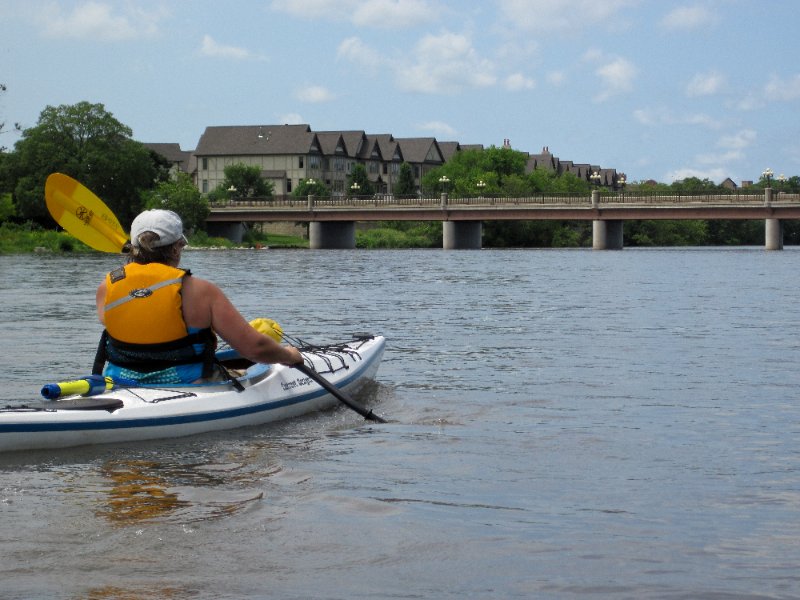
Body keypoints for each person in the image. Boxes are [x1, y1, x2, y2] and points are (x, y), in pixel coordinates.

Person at [93, 209, 302, 384]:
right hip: (191, 384)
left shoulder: (107, 287)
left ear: (134, 248)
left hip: (121, 382)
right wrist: (290, 355)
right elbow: (254, 348)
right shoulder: (200, 291)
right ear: (176, 248)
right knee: (241, 372)